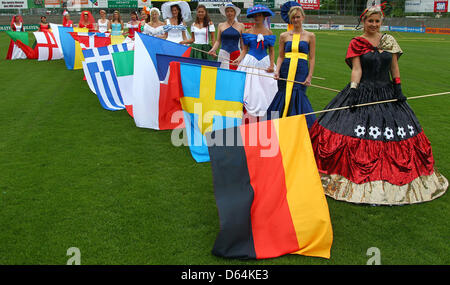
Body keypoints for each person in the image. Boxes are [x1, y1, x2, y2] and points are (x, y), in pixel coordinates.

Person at [309, 6, 448, 205]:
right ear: (363, 22)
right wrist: (354, 90)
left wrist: (398, 88)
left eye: (377, 21)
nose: (373, 25)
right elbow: (357, 69)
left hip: (387, 92)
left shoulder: (389, 41)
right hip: (363, 91)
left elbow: (394, 67)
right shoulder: (356, 43)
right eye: (370, 21)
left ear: (381, 22)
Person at [266, 4, 316, 127]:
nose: (295, 20)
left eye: (298, 17)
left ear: (303, 17)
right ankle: (278, 122)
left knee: (298, 93)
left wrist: (309, 76)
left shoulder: (310, 36)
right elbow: (281, 56)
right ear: (290, 19)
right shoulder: (284, 36)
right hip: (286, 68)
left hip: (301, 69)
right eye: (293, 17)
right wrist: (277, 70)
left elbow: (312, 57)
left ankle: (300, 126)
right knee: (283, 93)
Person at [233, 5, 277, 117]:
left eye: (260, 15)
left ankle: (266, 108)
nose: (257, 17)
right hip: (250, 62)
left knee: (268, 85)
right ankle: (247, 109)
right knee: (249, 86)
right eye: (255, 16)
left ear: (264, 17)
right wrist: (238, 59)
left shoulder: (269, 33)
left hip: (265, 62)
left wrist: (272, 65)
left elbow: (271, 51)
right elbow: (244, 50)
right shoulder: (248, 32)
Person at [208, 3, 245, 70]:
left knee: (234, 75)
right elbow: (218, 41)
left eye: (231, 11)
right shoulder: (220, 25)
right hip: (223, 54)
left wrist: (242, 57)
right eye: (227, 11)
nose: (229, 13)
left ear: (235, 13)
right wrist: (213, 50)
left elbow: (243, 45)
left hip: (236, 54)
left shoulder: (241, 26)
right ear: (225, 13)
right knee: (223, 74)